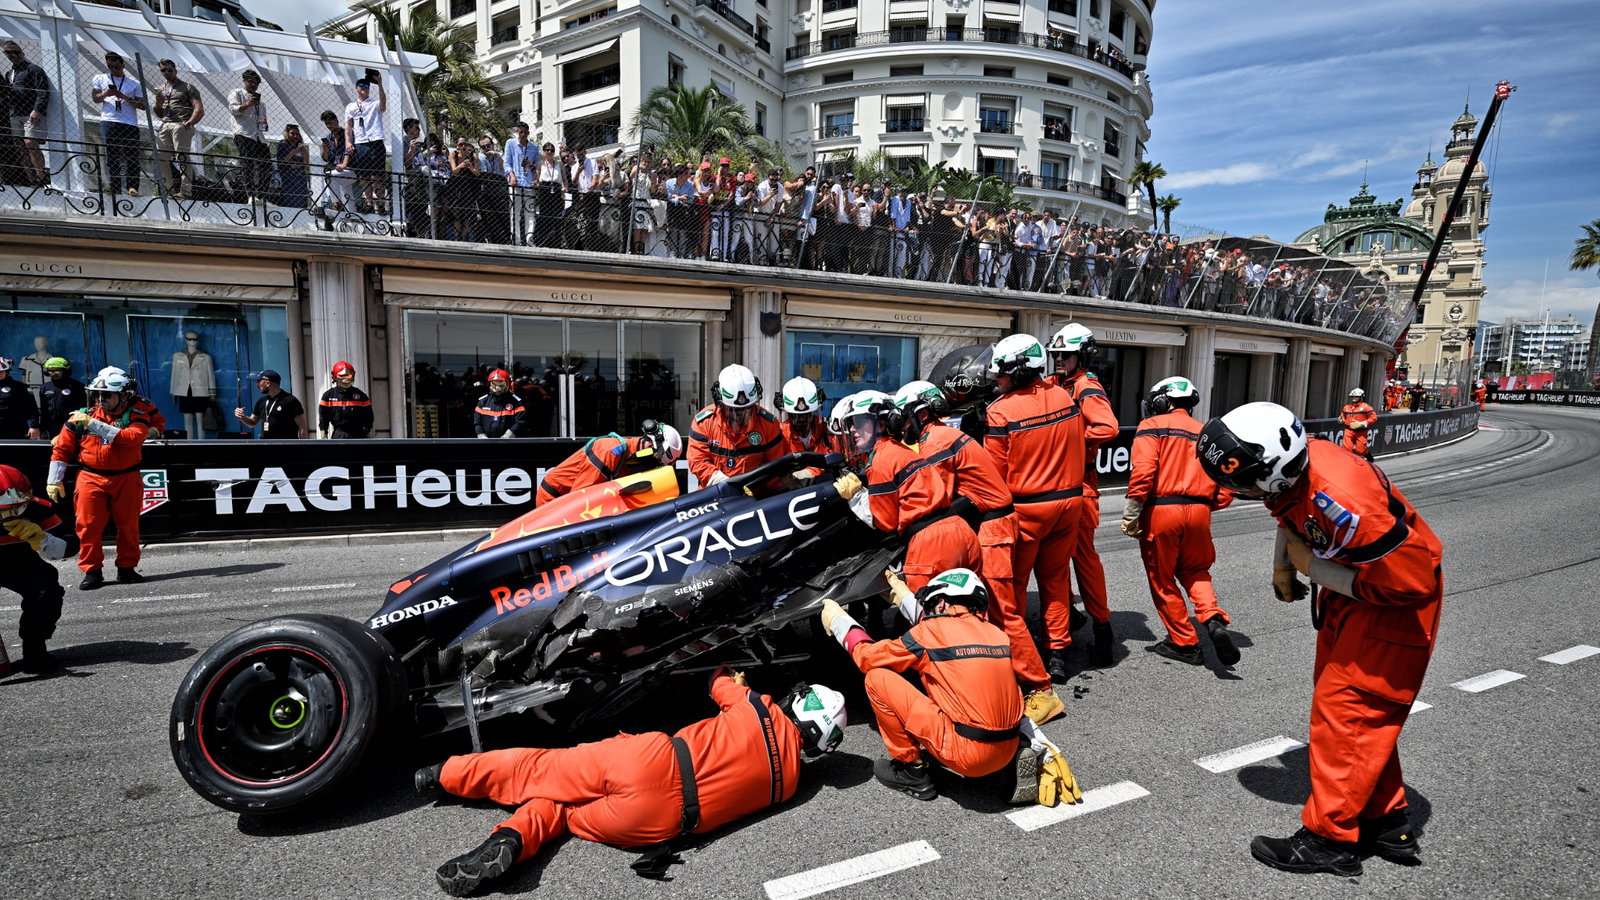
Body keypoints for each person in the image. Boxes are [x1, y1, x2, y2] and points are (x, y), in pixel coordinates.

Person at [1198, 402, 1441, 876]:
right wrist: (1284, 563)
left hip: (1391, 604)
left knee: (1346, 716)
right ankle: (1386, 820)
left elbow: (1412, 583)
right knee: (1357, 720)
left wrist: (1315, 569)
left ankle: (1330, 841)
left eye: (1241, 481)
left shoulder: (1344, 499)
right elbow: (1290, 510)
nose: (1235, 490)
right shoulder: (1300, 465)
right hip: (1355, 592)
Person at [418, 668, 845, 896]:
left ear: (799, 706)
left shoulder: (759, 705)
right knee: (563, 810)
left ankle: (441, 775)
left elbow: (716, 678)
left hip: (651, 761)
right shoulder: (788, 786)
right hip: (658, 824)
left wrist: (737, 679)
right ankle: (511, 837)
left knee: (539, 770)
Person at [893, 380, 1064, 724]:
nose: (902, 426)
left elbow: (924, 491)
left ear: (922, 414)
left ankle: (1042, 691)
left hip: (991, 529)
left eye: (905, 418)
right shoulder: (940, 437)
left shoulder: (936, 442)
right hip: (984, 526)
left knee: (1002, 613)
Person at [820, 568, 1022, 801]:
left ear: (943, 603)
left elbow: (867, 657)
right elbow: (943, 630)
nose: (929, 612)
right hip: (1008, 748)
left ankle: (911, 770)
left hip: (968, 755)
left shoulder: (931, 633)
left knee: (877, 678)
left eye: (931, 605)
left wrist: (841, 623)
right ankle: (1011, 760)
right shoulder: (997, 635)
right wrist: (901, 594)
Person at [985, 333, 1085, 685]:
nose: (997, 379)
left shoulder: (1000, 412)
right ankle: (1058, 654)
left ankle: (1015, 656)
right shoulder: (1065, 396)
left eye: (1002, 373)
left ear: (1020, 372)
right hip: (1070, 503)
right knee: (1056, 581)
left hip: (1027, 509)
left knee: (1012, 587)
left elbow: (992, 476)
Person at [1120, 377, 1238, 667]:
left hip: (1162, 512)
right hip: (1200, 513)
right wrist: (1207, 503)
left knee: (1162, 580)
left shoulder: (1151, 426)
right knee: (1196, 570)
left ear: (1163, 401)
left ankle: (1184, 643)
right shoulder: (1208, 433)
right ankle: (1210, 616)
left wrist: (1133, 509)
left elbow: (1144, 470)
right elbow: (1227, 485)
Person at [830, 391, 982, 594]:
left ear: (882, 424)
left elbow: (885, 521)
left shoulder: (880, 462)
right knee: (970, 612)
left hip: (930, 543)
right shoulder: (903, 451)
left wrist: (856, 496)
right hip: (961, 533)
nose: (852, 429)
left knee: (929, 618)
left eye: (859, 422)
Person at [1045, 323, 1120, 671]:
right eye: (1056, 355)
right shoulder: (1057, 384)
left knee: (1084, 564)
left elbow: (1108, 427)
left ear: (1082, 356)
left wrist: (1069, 438)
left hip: (1081, 487)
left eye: (1065, 355)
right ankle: (1071, 625)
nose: (1059, 359)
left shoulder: (1086, 387)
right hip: (1061, 485)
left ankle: (1103, 632)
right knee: (1058, 567)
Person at [47, 369, 151, 589]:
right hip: (90, 477)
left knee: (129, 526)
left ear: (123, 396)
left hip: (126, 477)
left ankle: (126, 569)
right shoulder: (80, 418)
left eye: (106, 395)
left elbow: (129, 438)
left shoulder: (136, 416)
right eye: (97, 395)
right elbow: (62, 450)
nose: (100, 399)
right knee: (87, 527)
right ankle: (92, 571)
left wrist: (92, 424)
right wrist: (53, 480)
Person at [0, 465, 70, 671]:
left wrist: (43, 540)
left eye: (16, 507)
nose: (10, 514)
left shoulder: (36, 507)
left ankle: (35, 648)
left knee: (46, 588)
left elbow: (70, 545)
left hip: (16, 559)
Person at [535, 420, 683, 505]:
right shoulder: (608, 451)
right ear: (651, 446)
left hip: (567, 500)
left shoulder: (631, 460)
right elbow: (580, 498)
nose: (653, 466)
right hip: (553, 500)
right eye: (656, 460)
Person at [686, 363, 784, 487]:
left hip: (755, 497)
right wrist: (723, 484)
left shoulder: (768, 424)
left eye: (746, 409)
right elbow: (697, 461)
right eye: (733, 409)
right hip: (713, 493)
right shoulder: (704, 423)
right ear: (720, 404)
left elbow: (775, 467)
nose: (740, 414)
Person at [90, 52, 145, 196]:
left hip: (129, 123)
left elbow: (142, 105)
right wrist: (105, 94)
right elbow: (95, 98)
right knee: (111, 154)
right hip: (109, 120)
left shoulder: (134, 83)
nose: (113, 69)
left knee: (132, 155)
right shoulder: (100, 78)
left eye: (116, 66)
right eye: (110, 66)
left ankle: (132, 187)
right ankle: (114, 186)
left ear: (123, 65)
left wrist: (124, 97)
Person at [152, 59, 204, 199]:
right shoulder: (160, 89)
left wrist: (189, 123)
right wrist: (158, 104)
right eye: (163, 70)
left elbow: (199, 109)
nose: (166, 72)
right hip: (165, 124)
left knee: (182, 157)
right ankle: (166, 190)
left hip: (181, 124)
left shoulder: (187, 87)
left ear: (175, 70)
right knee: (161, 157)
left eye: (169, 69)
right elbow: (159, 113)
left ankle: (185, 191)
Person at [4, 40, 52, 188]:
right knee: (21, 147)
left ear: (23, 53)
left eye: (16, 52)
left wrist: (37, 110)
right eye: (9, 53)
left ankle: (41, 176)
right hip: (14, 113)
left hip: (29, 113)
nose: (13, 55)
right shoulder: (9, 73)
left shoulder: (33, 69)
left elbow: (42, 91)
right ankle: (31, 179)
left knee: (30, 143)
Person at [341, 75, 387, 213]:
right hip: (360, 142)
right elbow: (348, 126)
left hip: (375, 141)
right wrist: (348, 141)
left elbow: (384, 104)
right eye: (361, 86)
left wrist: (379, 84)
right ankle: (368, 203)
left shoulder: (374, 103)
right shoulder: (350, 106)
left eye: (366, 86)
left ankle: (381, 203)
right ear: (356, 88)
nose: (364, 89)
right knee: (365, 176)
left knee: (377, 176)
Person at [226, 70, 270, 201]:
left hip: (258, 136)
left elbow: (263, 123)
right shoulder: (237, 93)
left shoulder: (261, 104)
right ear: (244, 80)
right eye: (250, 81)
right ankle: (250, 195)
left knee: (266, 165)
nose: (253, 84)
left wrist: (264, 124)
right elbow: (233, 109)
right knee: (247, 163)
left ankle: (261, 196)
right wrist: (248, 104)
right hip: (244, 132)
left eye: (256, 82)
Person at [234, 369, 307, 439]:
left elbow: (302, 427)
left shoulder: (291, 401)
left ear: (267, 383)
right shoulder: (262, 401)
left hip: (286, 447)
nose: (257, 384)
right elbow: (252, 422)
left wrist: (303, 448)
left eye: (259, 381)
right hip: (266, 447)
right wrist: (242, 417)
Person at [170, 330, 216, 439]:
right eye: (189, 339)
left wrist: (212, 391)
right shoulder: (177, 356)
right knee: (187, 419)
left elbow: (210, 374)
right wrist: (173, 391)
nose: (192, 341)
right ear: (185, 339)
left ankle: (201, 442)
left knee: (200, 418)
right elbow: (174, 374)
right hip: (184, 390)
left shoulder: (206, 357)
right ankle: (188, 442)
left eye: (194, 339)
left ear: (198, 340)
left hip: (200, 390)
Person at [318, 360, 374, 439]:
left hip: (358, 436)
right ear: (335, 377)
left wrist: (370, 438)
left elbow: (369, 418)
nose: (345, 380)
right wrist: (323, 437)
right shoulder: (328, 396)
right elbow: (323, 418)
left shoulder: (361, 396)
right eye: (342, 377)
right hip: (339, 436)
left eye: (348, 377)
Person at [38, 357, 86, 438]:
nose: (53, 374)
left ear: (64, 371)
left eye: (56, 371)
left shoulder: (77, 386)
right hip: (52, 428)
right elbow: (44, 410)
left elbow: (83, 407)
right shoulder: (45, 387)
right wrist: (42, 429)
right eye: (50, 371)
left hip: (72, 426)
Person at [471, 368, 524, 439]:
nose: (497, 387)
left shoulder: (515, 403)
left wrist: (508, 435)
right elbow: (477, 423)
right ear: (489, 384)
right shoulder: (483, 403)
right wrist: (481, 436)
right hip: (486, 444)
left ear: (507, 384)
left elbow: (521, 421)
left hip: (508, 444)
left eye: (501, 383)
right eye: (494, 383)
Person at [0, 356, 40, 439]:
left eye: (1, 372)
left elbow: (32, 407)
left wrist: (34, 426)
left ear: (7, 372)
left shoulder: (21, 387)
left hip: (16, 429)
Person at [275, 123, 310, 209]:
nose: (295, 136)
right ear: (287, 134)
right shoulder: (283, 144)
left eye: (297, 134)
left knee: (301, 200)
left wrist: (305, 153)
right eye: (292, 133)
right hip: (289, 177)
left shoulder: (299, 146)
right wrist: (294, 152)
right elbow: (283, 162)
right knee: (291, 199)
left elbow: (305, 165)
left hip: (300, 177)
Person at [1339, 388, 1377, 460]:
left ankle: (1368, 455)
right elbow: (1343, 417)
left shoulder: (1366, 407)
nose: (1354, 398)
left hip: (1361, 431)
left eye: (1356, 396)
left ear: (1361, 397)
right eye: (1352, 396)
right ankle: (1349, 463)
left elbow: (1373, 418)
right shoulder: (1346, 407)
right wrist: (1341, 420)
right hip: (1348, 431)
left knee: (1361, 450)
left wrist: (1363, 423)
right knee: (1347, 449)